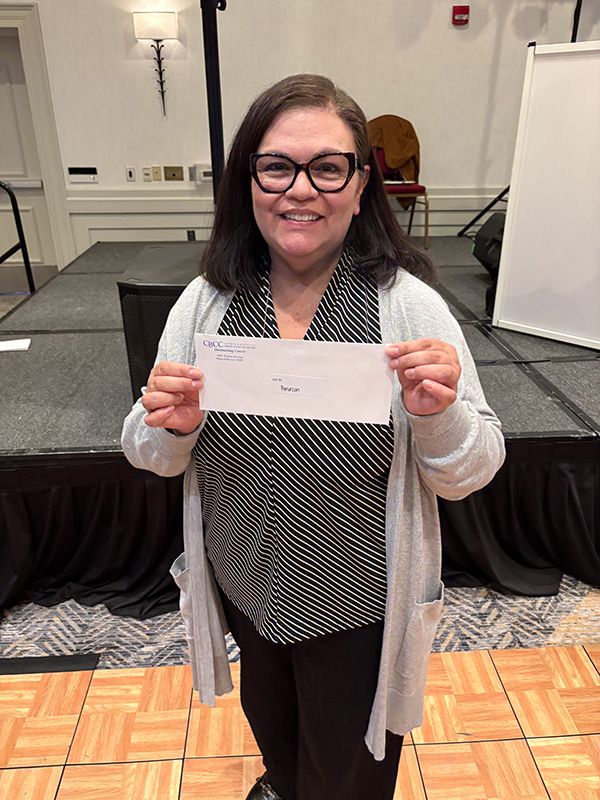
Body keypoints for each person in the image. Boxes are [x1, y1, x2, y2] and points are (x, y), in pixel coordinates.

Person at [121, 74, 505, 800]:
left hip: (360, 610)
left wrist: (438, 415)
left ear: (360, 187)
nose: (301, 189)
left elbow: (472, 470)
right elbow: (149, 452)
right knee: (282, 748)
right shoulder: (207, 304)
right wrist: (170, 426)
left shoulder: (408, 309)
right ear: (249, 182)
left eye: (328, 167)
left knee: (349, 778)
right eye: (277, 166)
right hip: (247, 592)